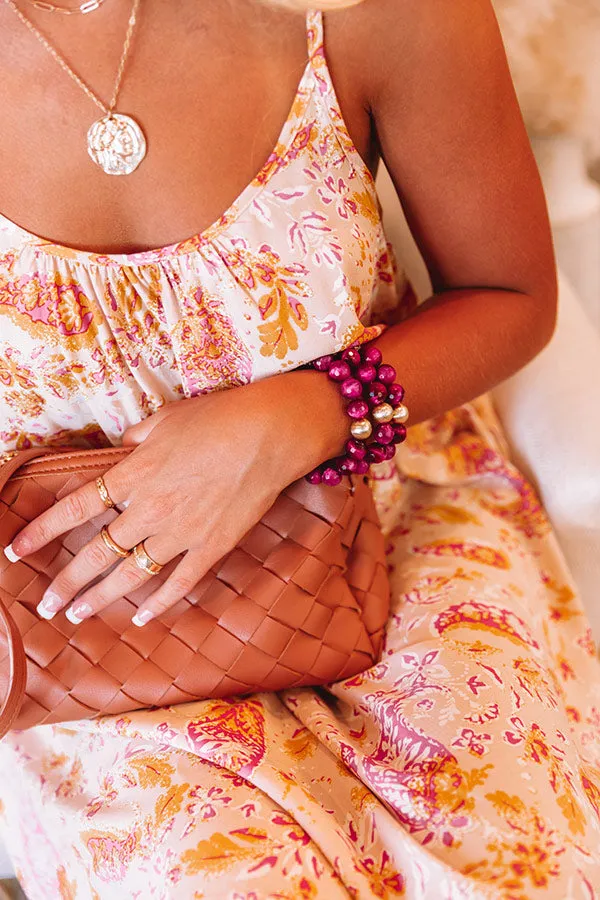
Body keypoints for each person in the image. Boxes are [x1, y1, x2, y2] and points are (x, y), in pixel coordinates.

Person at [0, 0, 599, 896]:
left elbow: (507, 290)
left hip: (393, 526)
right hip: (91, 634)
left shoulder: (371, 12)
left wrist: (307, 414)